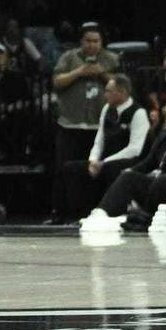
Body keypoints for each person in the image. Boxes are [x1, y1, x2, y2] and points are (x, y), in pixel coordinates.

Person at [86, 98, 166, 229]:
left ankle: (147, 214)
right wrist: (130, 171)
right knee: (128, 177)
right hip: (159, 188)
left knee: (165, 180)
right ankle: (103, 212)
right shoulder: (163, 139)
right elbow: (149, 163)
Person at [47, 21, 119, 223]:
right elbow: (57, 82)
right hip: (70, 123)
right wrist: (79, 72)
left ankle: (102, 210)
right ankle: (60, 213)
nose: (92, 45)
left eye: (96, 41)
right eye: (88, 41)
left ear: (102, 42)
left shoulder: (111, 59)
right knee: (64, 169)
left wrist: (101, 73)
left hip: (100, 125)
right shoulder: (68, 58)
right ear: (81, 41)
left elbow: (121, 85)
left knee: (98, 169)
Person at [55, 74, 149, 220]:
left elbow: (134, 149)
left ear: (122, 92)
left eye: (109, 91)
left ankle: (112, 213)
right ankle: (75, 215)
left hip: (130, 160)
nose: (105, 95)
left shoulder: (138, 113)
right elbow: (99, 140)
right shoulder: (106, 109)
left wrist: (104, 162)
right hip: (103, 160)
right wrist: (93, 160)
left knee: (112, 169)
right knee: (71, 168)